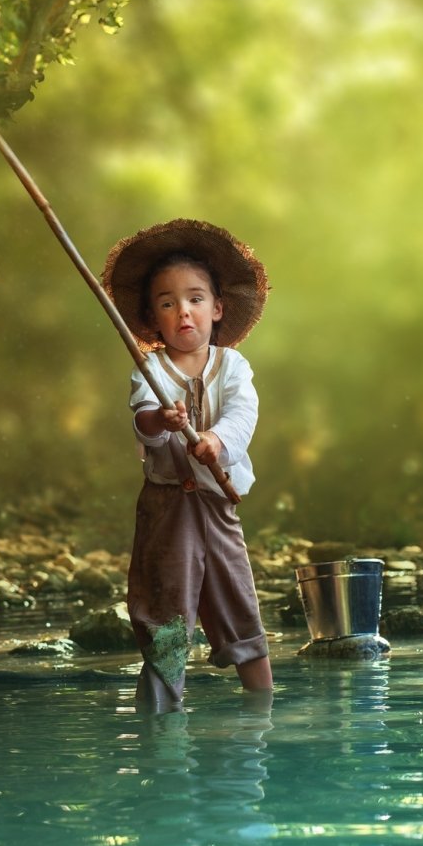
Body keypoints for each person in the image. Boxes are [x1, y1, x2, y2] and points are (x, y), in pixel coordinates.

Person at [101, 218, 273, 710]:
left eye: (196, 299)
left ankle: (263, 708)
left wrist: (217, 440)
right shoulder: (150, 370)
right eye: (168, 302)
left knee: (238, 601)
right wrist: (161, 418)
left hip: (219, 506)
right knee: (165, 612)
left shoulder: (233, 366)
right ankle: (160, 715)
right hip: (166, 508)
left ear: (218, 309)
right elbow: (142, 423)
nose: (184, 312)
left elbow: (244, 412)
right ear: (152, 319)